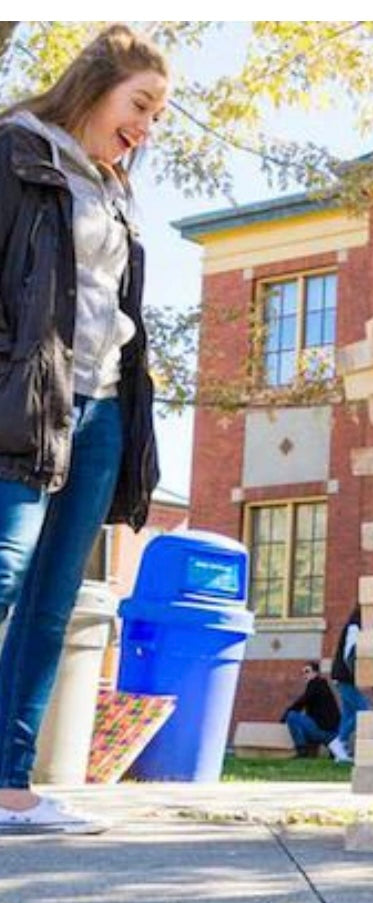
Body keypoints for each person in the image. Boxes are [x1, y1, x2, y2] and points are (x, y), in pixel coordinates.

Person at [0, 25, 167, 835]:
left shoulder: (115, 190)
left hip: (101, 409)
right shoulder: (15, 154)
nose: (146, 126)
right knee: (2, 575)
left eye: (159, 116)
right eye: (140, 105)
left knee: (50, 598)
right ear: (95, 87)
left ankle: (8, 786)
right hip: (23, 401)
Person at [281, 661, 351, 762]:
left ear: (316, 673)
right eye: (303, 673)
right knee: (304, 720)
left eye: (307, 671)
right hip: (332, 733)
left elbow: (301, 701)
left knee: (292, 716)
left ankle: (302, 751)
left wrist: (285, 715)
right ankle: (321, 751)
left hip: (325, 732)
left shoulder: (315, 684)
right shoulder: (322, 685)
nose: (304, 675)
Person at [330, 604, 370, 758]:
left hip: (342, 677)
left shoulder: (353, 625)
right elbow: (350, 653)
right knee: (363, 710)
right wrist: (355, 673)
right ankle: (339, 741)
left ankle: (341, 752)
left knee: (348, 714)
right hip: (344, 677)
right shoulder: (354, 626)